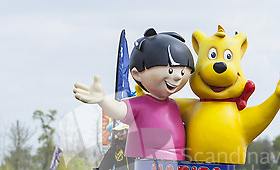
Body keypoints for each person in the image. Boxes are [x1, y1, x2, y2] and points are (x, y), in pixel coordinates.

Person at [74, 28, 194, 161]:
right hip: (145, 167)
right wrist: (103, 100)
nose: (177, 77)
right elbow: (120, 111)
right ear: (137, 73)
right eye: (171, 70)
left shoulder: (174, 105)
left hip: (177, 168)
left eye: (183, 72)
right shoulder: (140, 105)